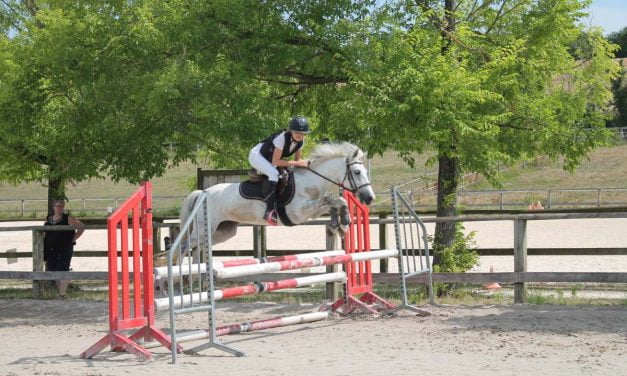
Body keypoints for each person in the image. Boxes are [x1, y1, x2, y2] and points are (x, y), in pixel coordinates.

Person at [248, 116, 311, 225]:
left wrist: (308, 163)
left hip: (269, 158)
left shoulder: (301, 142)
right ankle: (269, 211)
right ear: (291, 131)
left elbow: (297, 160)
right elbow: (275, 162)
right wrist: (296, 163)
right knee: (274, 174)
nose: (299, 135)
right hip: (257, 156)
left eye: (302, 133)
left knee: (285, 174)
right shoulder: (281, 138)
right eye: (296, 131)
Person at [43, 199, 84, 297]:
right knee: (54, 269)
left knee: (64, 268)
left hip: (65, 248)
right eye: (57, 206)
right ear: (53, 207)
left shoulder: (68, 218)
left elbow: (81, 227)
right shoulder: (48, 218)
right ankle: (61, 292)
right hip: (50, 248)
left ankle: (62, 293)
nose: (59, 208)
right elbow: (44, 231)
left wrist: (73, 239)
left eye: (61, 206)